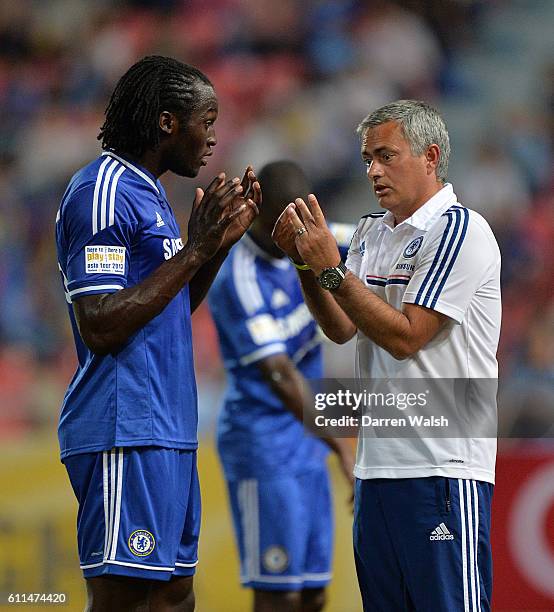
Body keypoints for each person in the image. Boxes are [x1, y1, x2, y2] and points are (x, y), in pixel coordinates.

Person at [272, 100, 501, 611]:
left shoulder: (460, 231)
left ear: (430, 156)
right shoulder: (373, 232)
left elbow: (406, 337)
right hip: (378, 471)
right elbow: (342, 327)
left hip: (443, 467)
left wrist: (332, 270)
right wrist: (306, 266)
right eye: (366, 159)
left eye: (385, 156)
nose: (373, 170)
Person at [55, 55, 261, 612]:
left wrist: (213, 249)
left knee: (173, 598)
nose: (214, 138)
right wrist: (196, 248)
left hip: (168, 427)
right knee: (126, 599)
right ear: (168, 121)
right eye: (207, 120)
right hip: (125, 426)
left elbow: (166, 309)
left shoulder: (148, 194)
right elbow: (99, 323)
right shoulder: (101, 190)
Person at [208, 161, 355, 612]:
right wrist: (345, 450)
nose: (293, 235)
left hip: (308, 441)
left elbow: (387, 238)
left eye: (300, 221)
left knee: (312, 591)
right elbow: (281, 376)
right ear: (258, 215)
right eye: (281, 225)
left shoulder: (324, 238)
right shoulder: (239, 278)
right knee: (280, 594)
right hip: (263, 443)